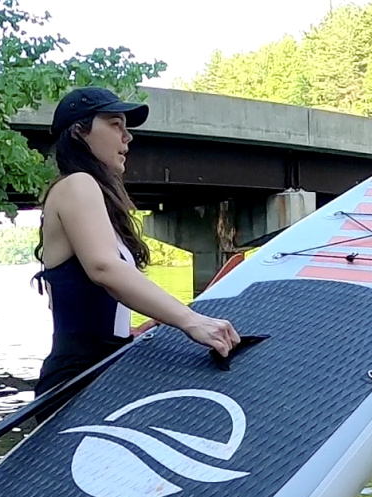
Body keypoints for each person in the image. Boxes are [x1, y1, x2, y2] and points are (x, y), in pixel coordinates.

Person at [31, 87, 240, 416]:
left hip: (107, 368)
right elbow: (103, 268)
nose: (127, 137)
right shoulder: (76, 184)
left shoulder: (90, 195)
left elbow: (84, 302)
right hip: (76, 383)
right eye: (115, 125)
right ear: (78, 131)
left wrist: (127, 331)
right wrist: (190, 321)